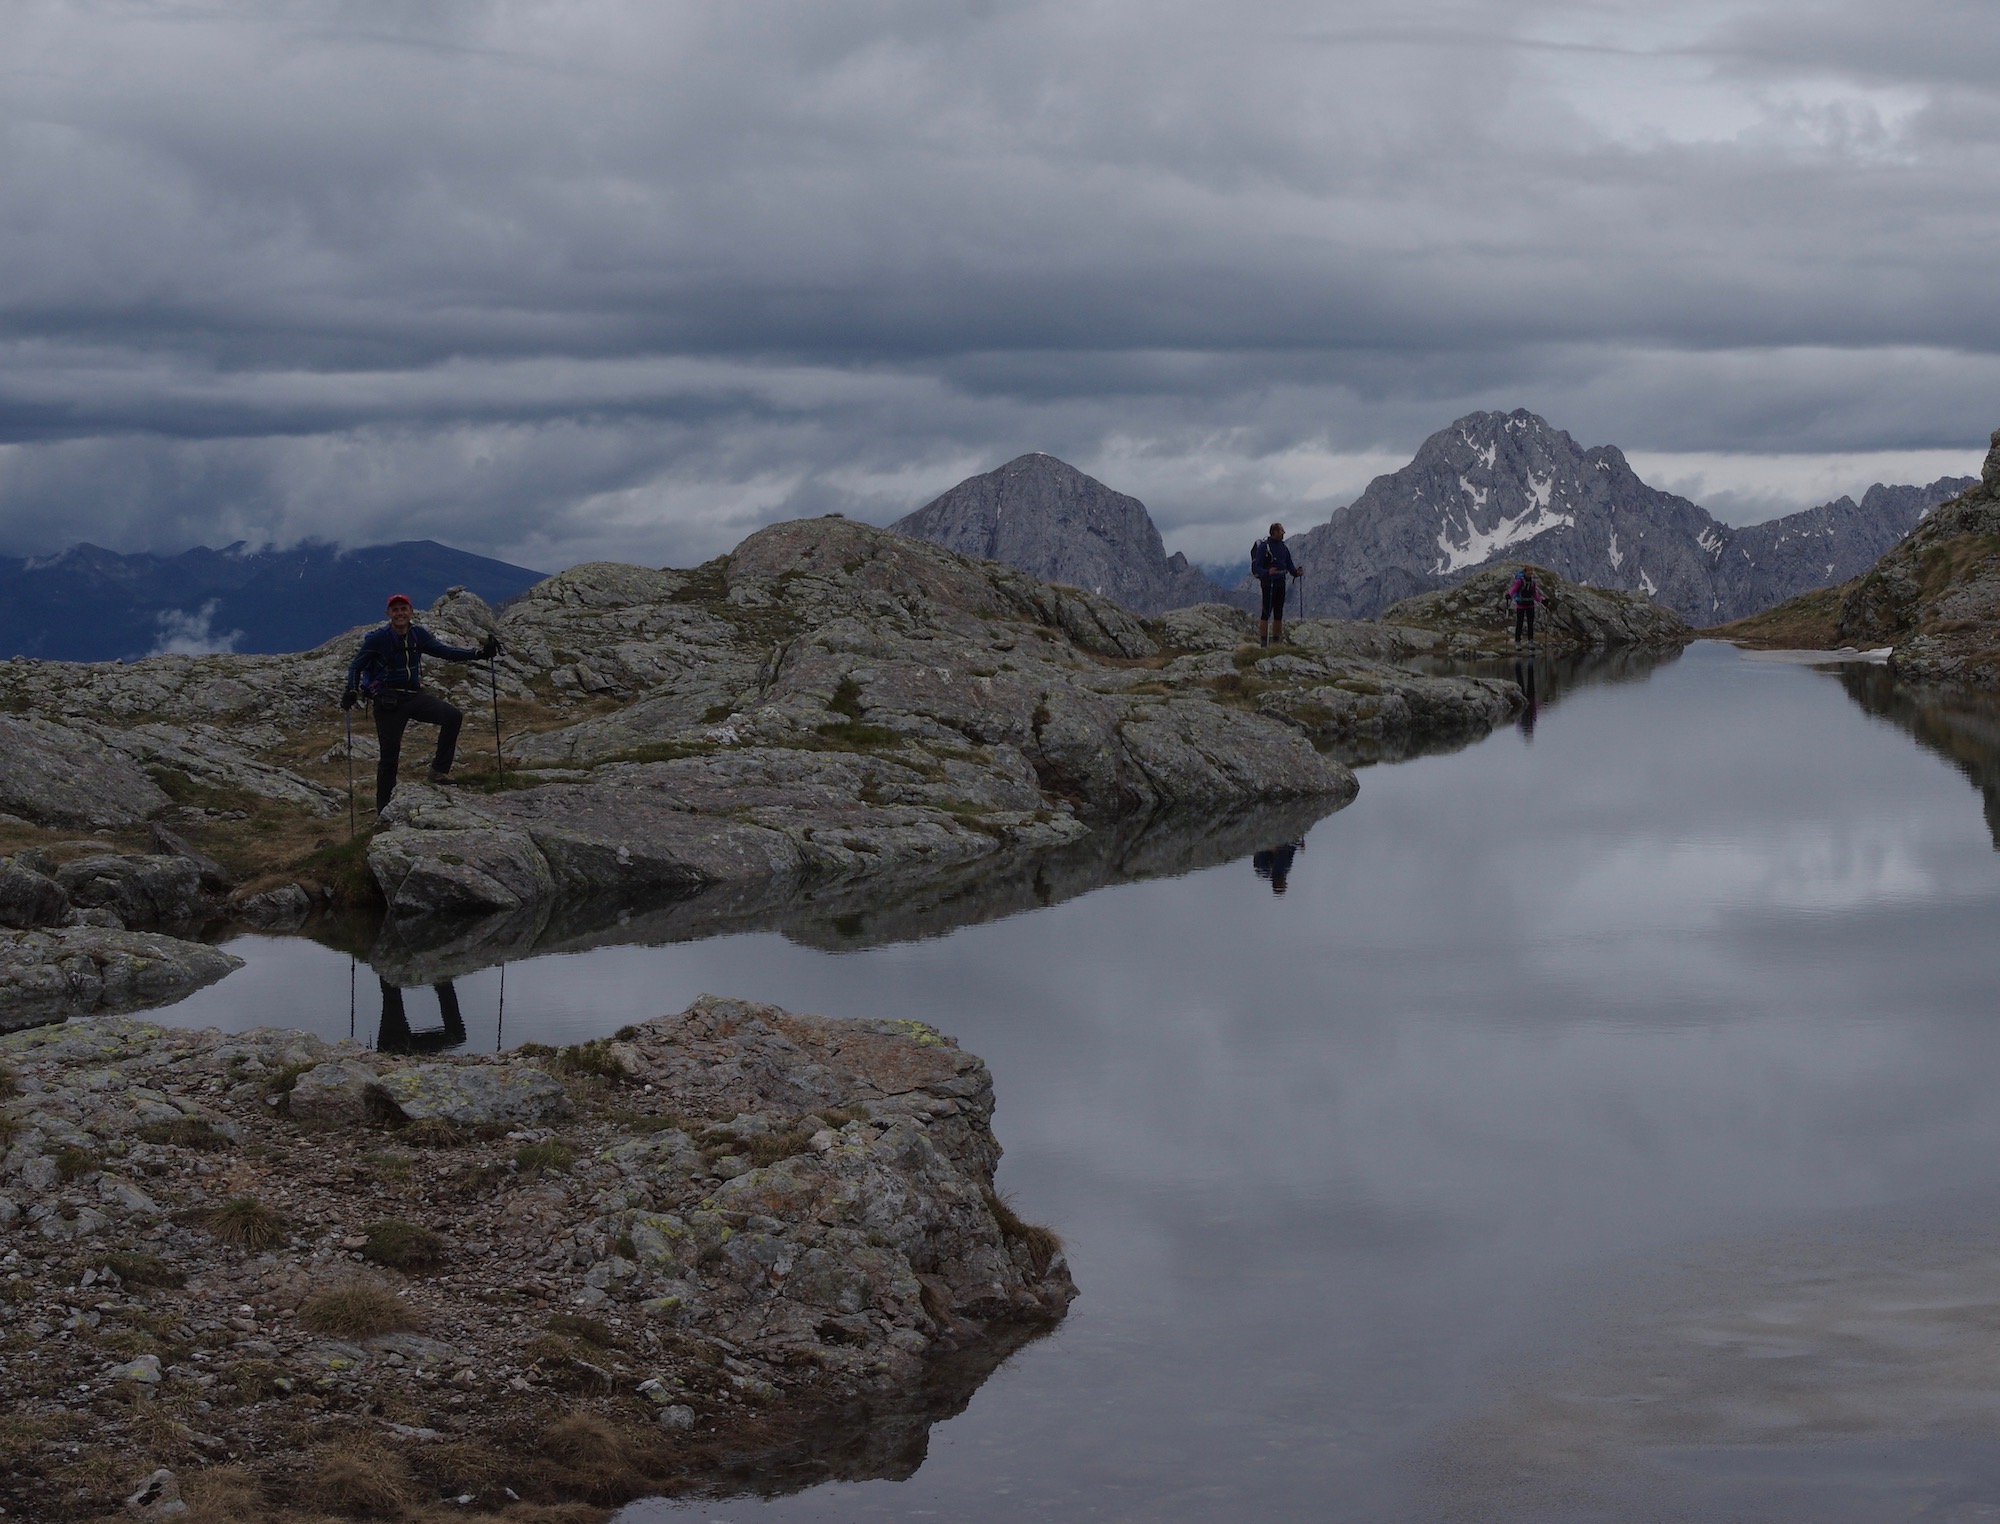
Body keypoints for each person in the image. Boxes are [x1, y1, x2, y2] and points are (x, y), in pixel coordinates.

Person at [341, 593, 499, 811]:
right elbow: (356, 666)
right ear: (388, 614)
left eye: (403, 609)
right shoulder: (377, 639)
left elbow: (446, 652)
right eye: (395, 610)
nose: (399, 613)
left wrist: (479, 654)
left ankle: (438, 772)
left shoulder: (418, 635)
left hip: (413, 695)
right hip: (388, 702)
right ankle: (384, 809)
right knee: (389, 757)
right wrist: (351, 690)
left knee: (453, 717)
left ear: (411, 612)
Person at [1251, 523, 1303, 646]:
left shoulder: (1283, 548)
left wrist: (1296, 572)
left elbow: (1289, 564)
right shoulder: (1264, 547)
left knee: (1278, 612)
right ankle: (1264, 643)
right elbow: (1257, 567)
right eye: (1281, 530)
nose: (1284, 532)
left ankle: (1276, 642)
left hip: (1280, 582)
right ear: (1274, 532)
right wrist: (1267, 572)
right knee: (1266, 612)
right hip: (1268, 583)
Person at [1507, 566, 1545, 646]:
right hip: (1520, 605)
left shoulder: (1532, 582)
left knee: (1530, 624)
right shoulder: (1519, 581)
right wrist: (1509, 595)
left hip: (1530, 605)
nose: (1530, 573)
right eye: (1529, 571)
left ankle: (1530, 641)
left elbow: (1534, 594)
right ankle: (1518, 641)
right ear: (1525, 572)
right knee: (1519, 623)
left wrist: (1542, 600)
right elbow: (1513, 589)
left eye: (1531, 571)